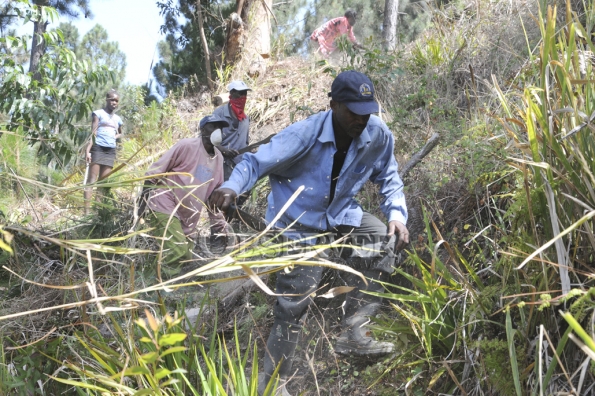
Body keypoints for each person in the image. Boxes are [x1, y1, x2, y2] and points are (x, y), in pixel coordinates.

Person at [209, 70, 409, 396]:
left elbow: (389, 176)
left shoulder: (377, 134)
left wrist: (397, 216)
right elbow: (255, 163)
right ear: (333, 105)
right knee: (295, 300)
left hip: (341, 214)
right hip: (296, 222)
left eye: (366, 111)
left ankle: (354, 332)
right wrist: (231, 187)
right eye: (353, 112)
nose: (361, 119)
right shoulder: (304, 135)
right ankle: (274, 383)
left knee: (380, 239)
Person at [142, 115, 230, 277]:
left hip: (188, 216)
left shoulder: (218, 158)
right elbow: (155, 172)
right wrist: (141, 206)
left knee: (186, 257)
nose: (217, 131)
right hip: (164, 203)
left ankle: (156, 281)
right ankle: (157, 291)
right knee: (176, 250)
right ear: (202, 130)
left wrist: (220, 226)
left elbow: (214, 197)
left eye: (220, 128)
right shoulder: (187, 146)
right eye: (213, 127)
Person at [84, 90, 124, 215]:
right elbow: (93, 132)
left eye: (116, 101)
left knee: (103, 183)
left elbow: (121, 133)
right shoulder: (98, 114)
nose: (114, 102)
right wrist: (88, 150)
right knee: (91, 180)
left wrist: (114, 137)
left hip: (110, 151)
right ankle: (87, 212)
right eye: (112, 100)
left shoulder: (118, 119)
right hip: (98, 148)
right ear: (107, 100)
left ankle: (96, 214)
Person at [212, 80, 252, 180]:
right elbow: (208, 138)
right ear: (232, 93)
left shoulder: (245, 119)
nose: (243, 97)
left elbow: (245, 143)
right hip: (221, 165)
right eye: (240, 93)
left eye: (245, 94)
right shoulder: (219, 114)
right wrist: (224, 150)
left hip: (240, 166)